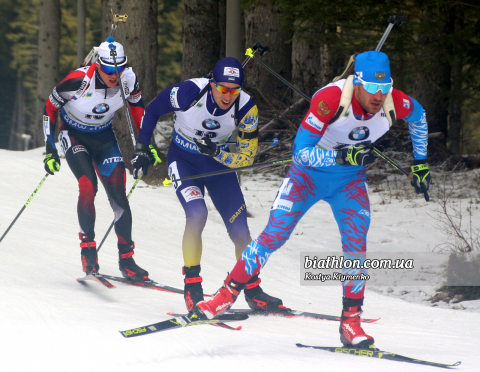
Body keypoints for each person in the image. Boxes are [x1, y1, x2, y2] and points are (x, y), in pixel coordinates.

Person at [195, 51, 432, 348]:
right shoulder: (330, 99)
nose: (378, 96)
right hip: (306, 178)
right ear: (357, 82)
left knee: (356, 248)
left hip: (349, 183)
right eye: (372, 88)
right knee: (274, 236)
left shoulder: (393, 100)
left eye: (383, 89)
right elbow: (301, 152)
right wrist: (342, 155)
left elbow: (419, 116)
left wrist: (420, 163)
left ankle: (351, 322)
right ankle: (224, 295)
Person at [132, 57, 284, 313]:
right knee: (197, 214)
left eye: (234, 90)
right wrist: (142, 147)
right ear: (212, 83)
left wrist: (218, 152)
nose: (228, 95)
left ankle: (253, 289)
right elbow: (152, 111)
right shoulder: (188, 92)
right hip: (184, 162)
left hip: (219, 168)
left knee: (240, 232)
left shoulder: (247, 108)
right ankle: (192, 287)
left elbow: (245, 156)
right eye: (223, 88)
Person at [42, 39, 156, 281]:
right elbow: (50, 108)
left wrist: (147, 144)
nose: (114, 75)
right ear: (98, 65)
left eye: (119, 68)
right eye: (108, 70)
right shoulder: (78, 80)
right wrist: (50, 147)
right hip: (73, 134)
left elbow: (138, 108)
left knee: (118, 195)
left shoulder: (128, 79)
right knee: (87, 186)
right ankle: (88, 252)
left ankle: (127, 260)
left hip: (104, 137)